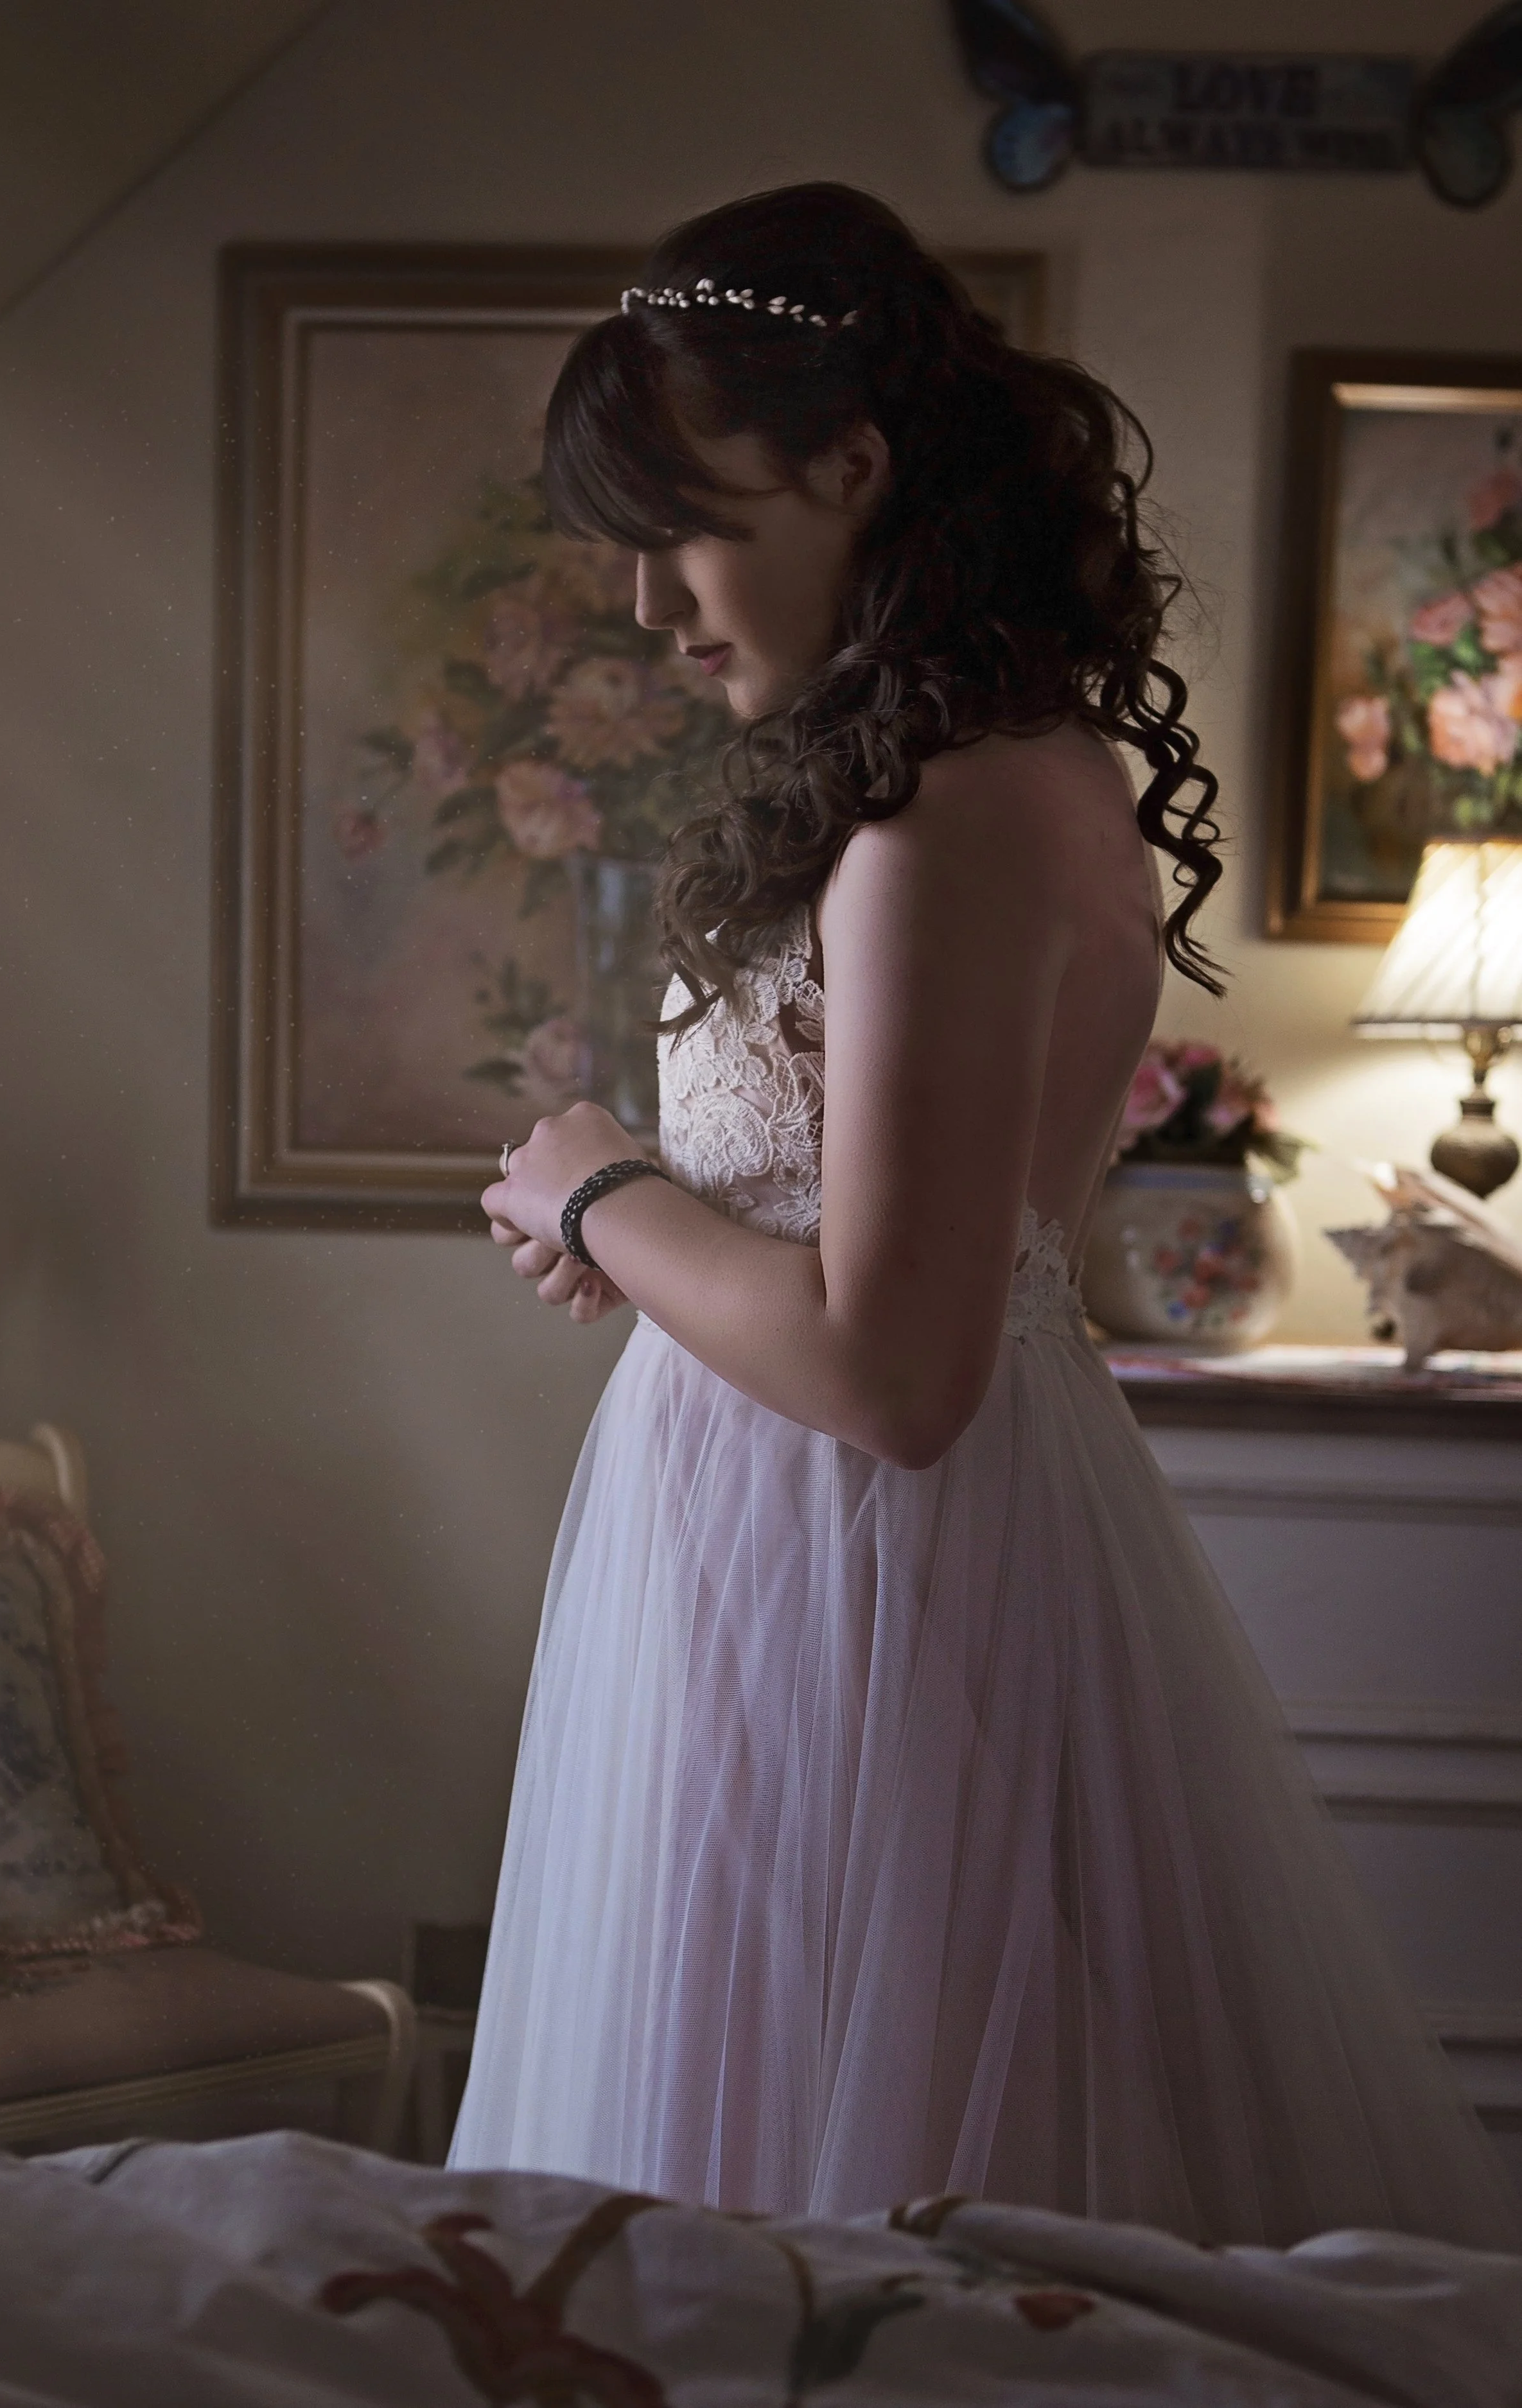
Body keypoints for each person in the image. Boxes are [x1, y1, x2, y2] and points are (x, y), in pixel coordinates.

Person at [449, 183, 1519, 2248]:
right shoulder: (1017, 770)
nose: (655, 606)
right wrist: (651, 1237)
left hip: (850, 1579)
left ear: (850, 464)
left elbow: (893, 1369)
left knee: (821, 2205)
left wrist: (598, 1177)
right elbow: (878, 1276)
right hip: (829, 1557)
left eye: (689, 529)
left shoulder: (941, 815)